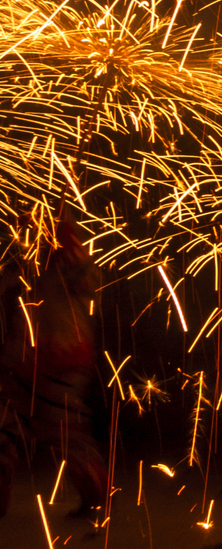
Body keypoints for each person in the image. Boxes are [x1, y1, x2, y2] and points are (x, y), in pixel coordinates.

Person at [0, 207, 108, 521]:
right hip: (27, 354)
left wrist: (58, 245)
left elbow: (86, 282)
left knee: (62, 429)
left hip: (63, 353)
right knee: (5, 423)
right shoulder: (24, 242)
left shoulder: (68, 245)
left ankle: (96, 494)